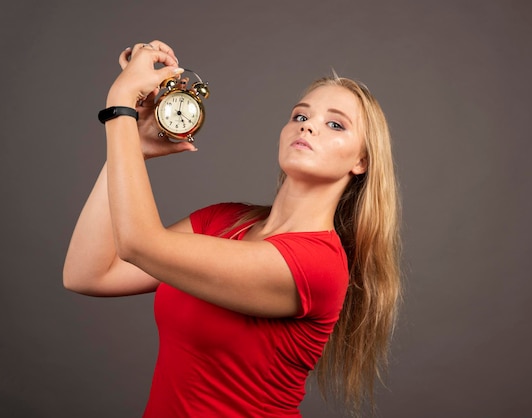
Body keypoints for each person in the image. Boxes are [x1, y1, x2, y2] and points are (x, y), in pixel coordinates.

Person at [63, 40, 401, 417]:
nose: (308, 128)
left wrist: (121, 103)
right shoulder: (222, 220)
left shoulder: (317, 266)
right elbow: (88, 273)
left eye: (335, 124)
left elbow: (138, 243)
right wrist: (132, 149)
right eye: (299, 116)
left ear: (361, 161)